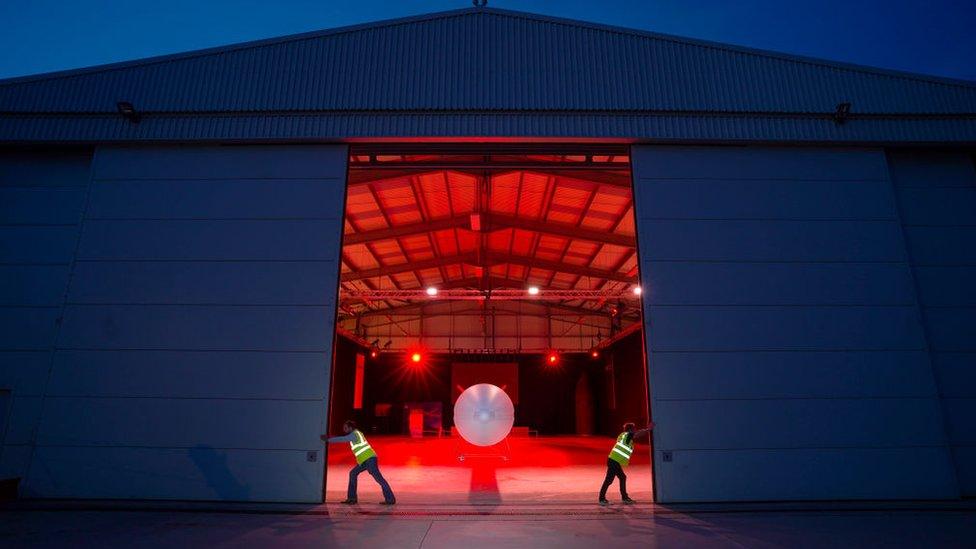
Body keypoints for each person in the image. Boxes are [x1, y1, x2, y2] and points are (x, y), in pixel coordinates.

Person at [321, 420, 396, 505]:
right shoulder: (356, 434)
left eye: (345, 428)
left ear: (350, 428)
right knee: (353, 473)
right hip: (364, 461)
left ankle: (390, 499)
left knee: (379, 479)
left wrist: (328, 439)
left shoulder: (354, 434)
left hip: (369, 459)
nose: (344, 429)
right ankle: (352, 498)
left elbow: (342, 439)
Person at [599, 421, 654, 505]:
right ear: (630, 430)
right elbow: (638, 434)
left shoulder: (624, 436)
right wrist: (648, 429)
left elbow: (634, 435)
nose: (635, 430)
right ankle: (602, 499)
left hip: (613, 460)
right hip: (614, 461)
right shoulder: (627, 435)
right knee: (609, 480)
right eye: (634, 429)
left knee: (622, 477)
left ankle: (624, 497)